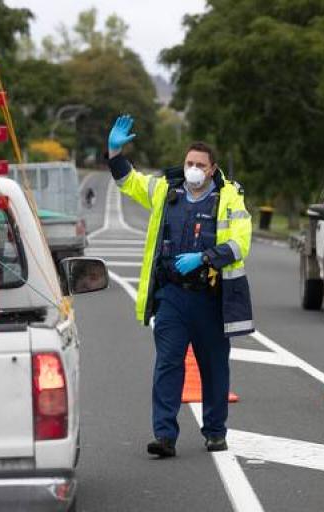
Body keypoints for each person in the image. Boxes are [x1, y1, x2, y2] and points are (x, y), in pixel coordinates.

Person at [106, 114, 254, 458]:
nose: (193, 169)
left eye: (200, 164)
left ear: (212, 168)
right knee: (168, 363)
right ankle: (164, 435)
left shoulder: (229, 199)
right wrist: (115, 153)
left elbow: (240, 245)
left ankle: (215, 432)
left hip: (211, 296)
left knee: (214, 368)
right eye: (189, 162)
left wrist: (203, 258)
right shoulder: (166, 191)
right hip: (172, 295)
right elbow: (130, 182)